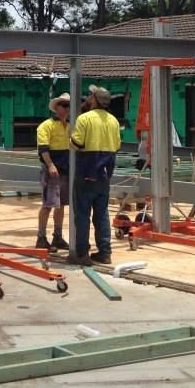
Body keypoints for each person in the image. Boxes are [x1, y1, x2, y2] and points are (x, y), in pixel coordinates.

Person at [68, 85, 121, 266]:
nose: (88, 98)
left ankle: (82, 254)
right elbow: (117, 146)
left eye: (91, 96)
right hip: (105, 173)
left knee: (82, 214)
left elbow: (76, 143)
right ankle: (105, 253)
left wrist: (70, 139)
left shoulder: (84, 119)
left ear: (95, 99)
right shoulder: (114, 121)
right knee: (102, 214)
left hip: (86, 171)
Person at [35, 93, 71, 251]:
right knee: (48, 204)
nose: (67, 108)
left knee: (61, 204)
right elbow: (43, 148)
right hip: (53, 170)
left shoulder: (70, 125)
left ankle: (57, 237)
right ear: (56, 107)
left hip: (65, 169)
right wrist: (50, 165)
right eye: (64, 105)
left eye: (68, 105)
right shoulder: (46, 126)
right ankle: (41, 237)